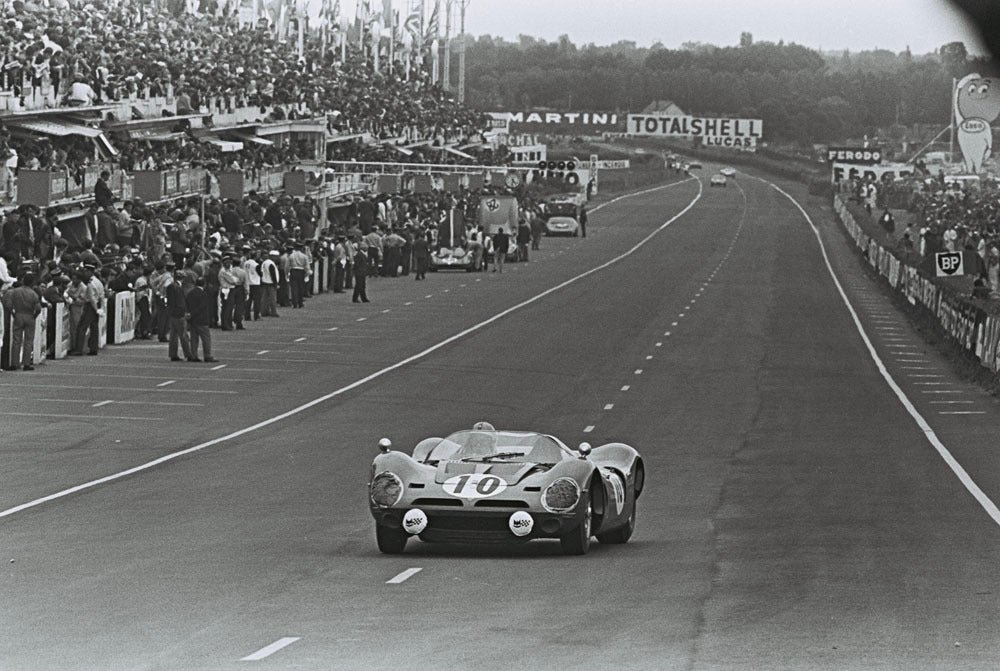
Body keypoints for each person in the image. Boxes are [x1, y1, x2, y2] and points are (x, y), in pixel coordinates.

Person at [1, 273, 42, 371]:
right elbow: (38, 308)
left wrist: (13, 313)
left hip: (18, 314)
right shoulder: (33, 293)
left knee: (16, 340)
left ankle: (15, 363)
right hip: (29, 315)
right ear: (32, 283)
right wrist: (34, 316)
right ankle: (26, 363)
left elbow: (8, 304)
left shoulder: (15, 292)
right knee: (28, 341)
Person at [166, 269, 195, 362]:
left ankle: (173, 354)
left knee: (173, 335)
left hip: (173, 314)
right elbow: (180, 303)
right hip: (178, 314)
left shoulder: (172, 286)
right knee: (183, 335)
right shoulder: (177, 287)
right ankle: (188, 354)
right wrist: (184, 312)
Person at [186, 277, 216, 362]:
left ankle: (194, 355)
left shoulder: (191, 293)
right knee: (206, 338)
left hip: (193, 320)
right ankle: (207, 355)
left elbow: (187, 304)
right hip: (202, 320)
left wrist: (190, 314)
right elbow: (202, 307)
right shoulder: (203, 294)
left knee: (194, 339)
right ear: (204, 284)